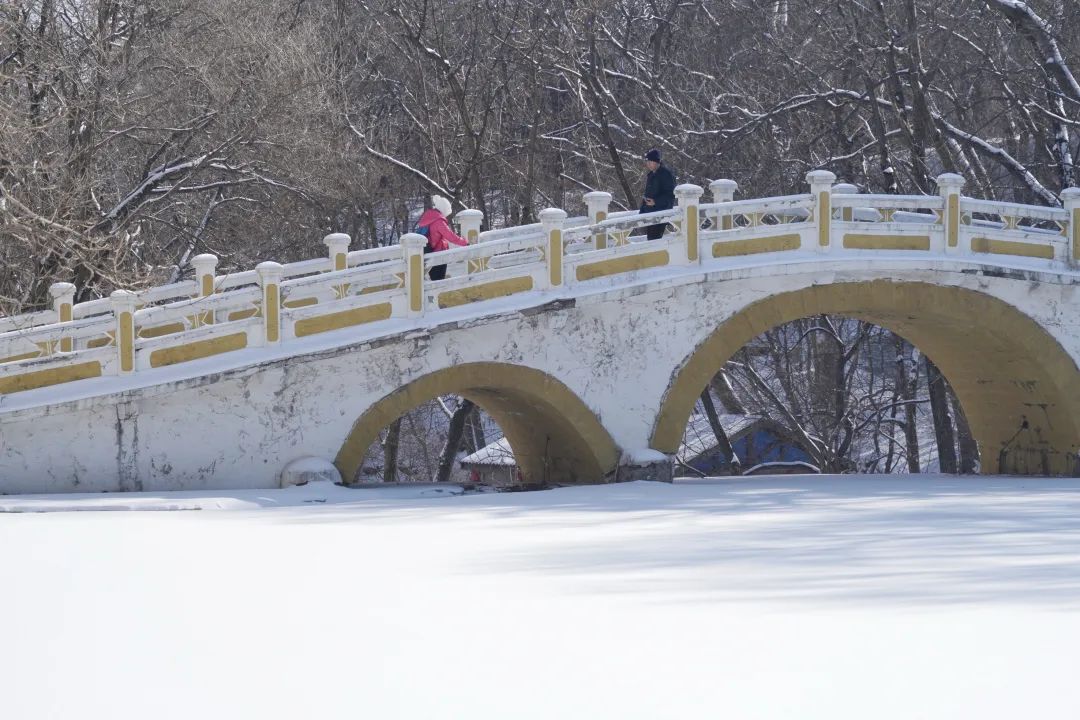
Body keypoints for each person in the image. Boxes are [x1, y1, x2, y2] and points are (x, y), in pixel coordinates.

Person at [417, 195, 468, 280]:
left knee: (434, 279)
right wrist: (465, 242)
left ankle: (433, 293)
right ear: (444, 209)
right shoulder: (438, 221)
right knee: (439, 280)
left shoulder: (428, 217)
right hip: (437, 255)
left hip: (428, 252)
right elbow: (450, 236)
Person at [639, 148, 676, 240]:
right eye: (647, 162)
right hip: (650, 213)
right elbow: (649, 194)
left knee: (654, 241)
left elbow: (670, 195)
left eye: (650, 161)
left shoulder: (666, 174)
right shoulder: (651, 175)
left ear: (656, 162)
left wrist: (655, 202)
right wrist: (642, 210)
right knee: (650, 241)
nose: (648, 164)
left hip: (660, 214)